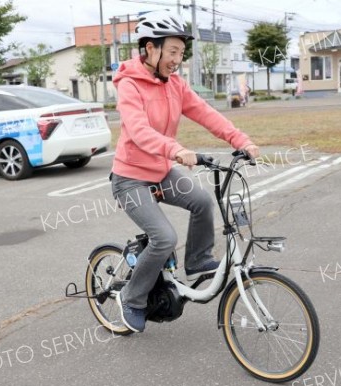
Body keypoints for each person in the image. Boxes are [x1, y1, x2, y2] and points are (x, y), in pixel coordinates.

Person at [110, 11, 259, 333]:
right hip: (130, 177)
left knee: (202, 201)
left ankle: (198, 260)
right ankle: (132, 299)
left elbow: (206, 114)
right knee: (163, 238)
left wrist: (241, 140)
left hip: (161, 172)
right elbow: (137, 130)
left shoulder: (175, 85)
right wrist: (175, 149)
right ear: (151, 48)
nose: (178, 59)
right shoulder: (129, 85)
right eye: (173, 52)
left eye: (181, 53)